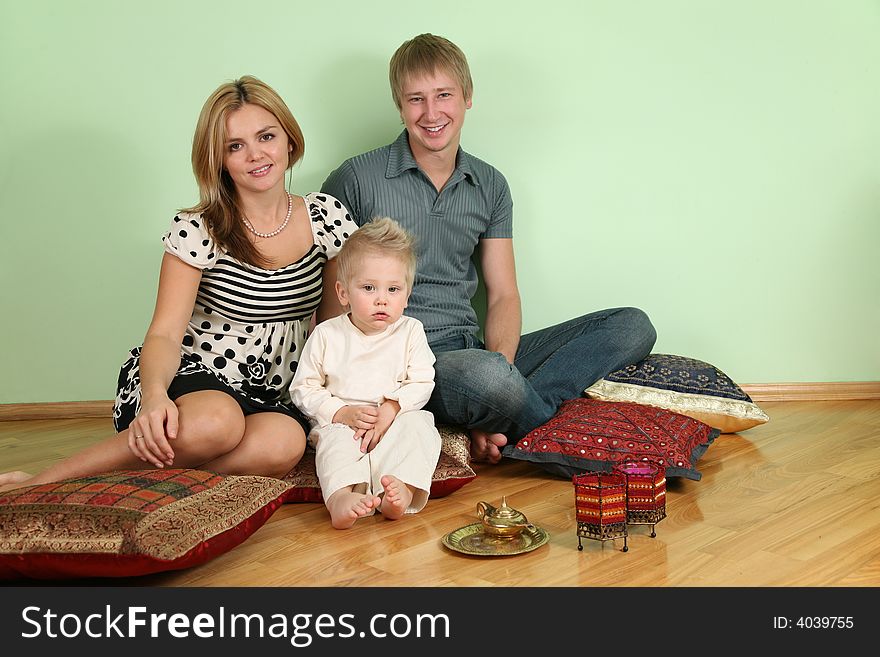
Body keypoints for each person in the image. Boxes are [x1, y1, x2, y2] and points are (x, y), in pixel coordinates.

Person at [0, 75, 358, 493]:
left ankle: (130, 482)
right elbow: (166, 333)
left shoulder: (326, 218)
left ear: (289, 141)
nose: (256, 155)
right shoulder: (199, 228)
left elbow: (333, 329)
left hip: (271, 391)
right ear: (219, 159)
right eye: (235, 146)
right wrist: (154, 397)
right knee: (216, 423)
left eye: (266, 136)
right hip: (192, 377)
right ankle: (44, 483)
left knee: (283, 445)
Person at [321, 34, 657, 465]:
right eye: (416, 99)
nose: (431, 113)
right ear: (399, 105)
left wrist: (501, 375)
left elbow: (503, 295)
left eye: (444, 95)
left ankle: (506, 418)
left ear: (467, 97)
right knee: (487, 377)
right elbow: (331, 297)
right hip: (400, 360)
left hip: (472, 349)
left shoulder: (490, 185)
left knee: (632, 325)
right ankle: (555, 441)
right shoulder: (355, 178)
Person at [290, 217, 441, 530]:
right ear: (343, 293)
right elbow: (303, 388)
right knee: (334, 444)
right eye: (369, 288)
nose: (382, 299)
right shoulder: (327, 334)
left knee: (421, 426)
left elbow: (422, 381)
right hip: (347, 424)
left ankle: (400, 488)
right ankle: (342, 497)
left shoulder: (411, 331)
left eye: (393, 289)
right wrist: (340, 412)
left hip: (393, 420)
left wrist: (393, 408)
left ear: (407, 294)